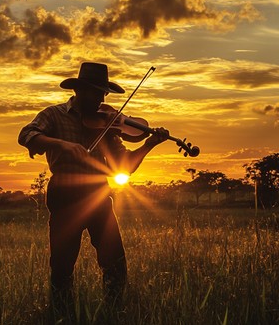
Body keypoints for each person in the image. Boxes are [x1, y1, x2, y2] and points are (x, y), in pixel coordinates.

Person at [18, 62, 169, 304]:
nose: (101, 99)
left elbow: (124, 166)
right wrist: (63, 145)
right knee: (62, 265)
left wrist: (148, 145)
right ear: (79, 90)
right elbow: (27, 135)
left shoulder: (107, 124)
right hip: (65, 193)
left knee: (115, 261)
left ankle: (114, 311)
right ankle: (62, 316)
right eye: (96, 92)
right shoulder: (54, 114)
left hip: (98, 195)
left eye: (103, 93)